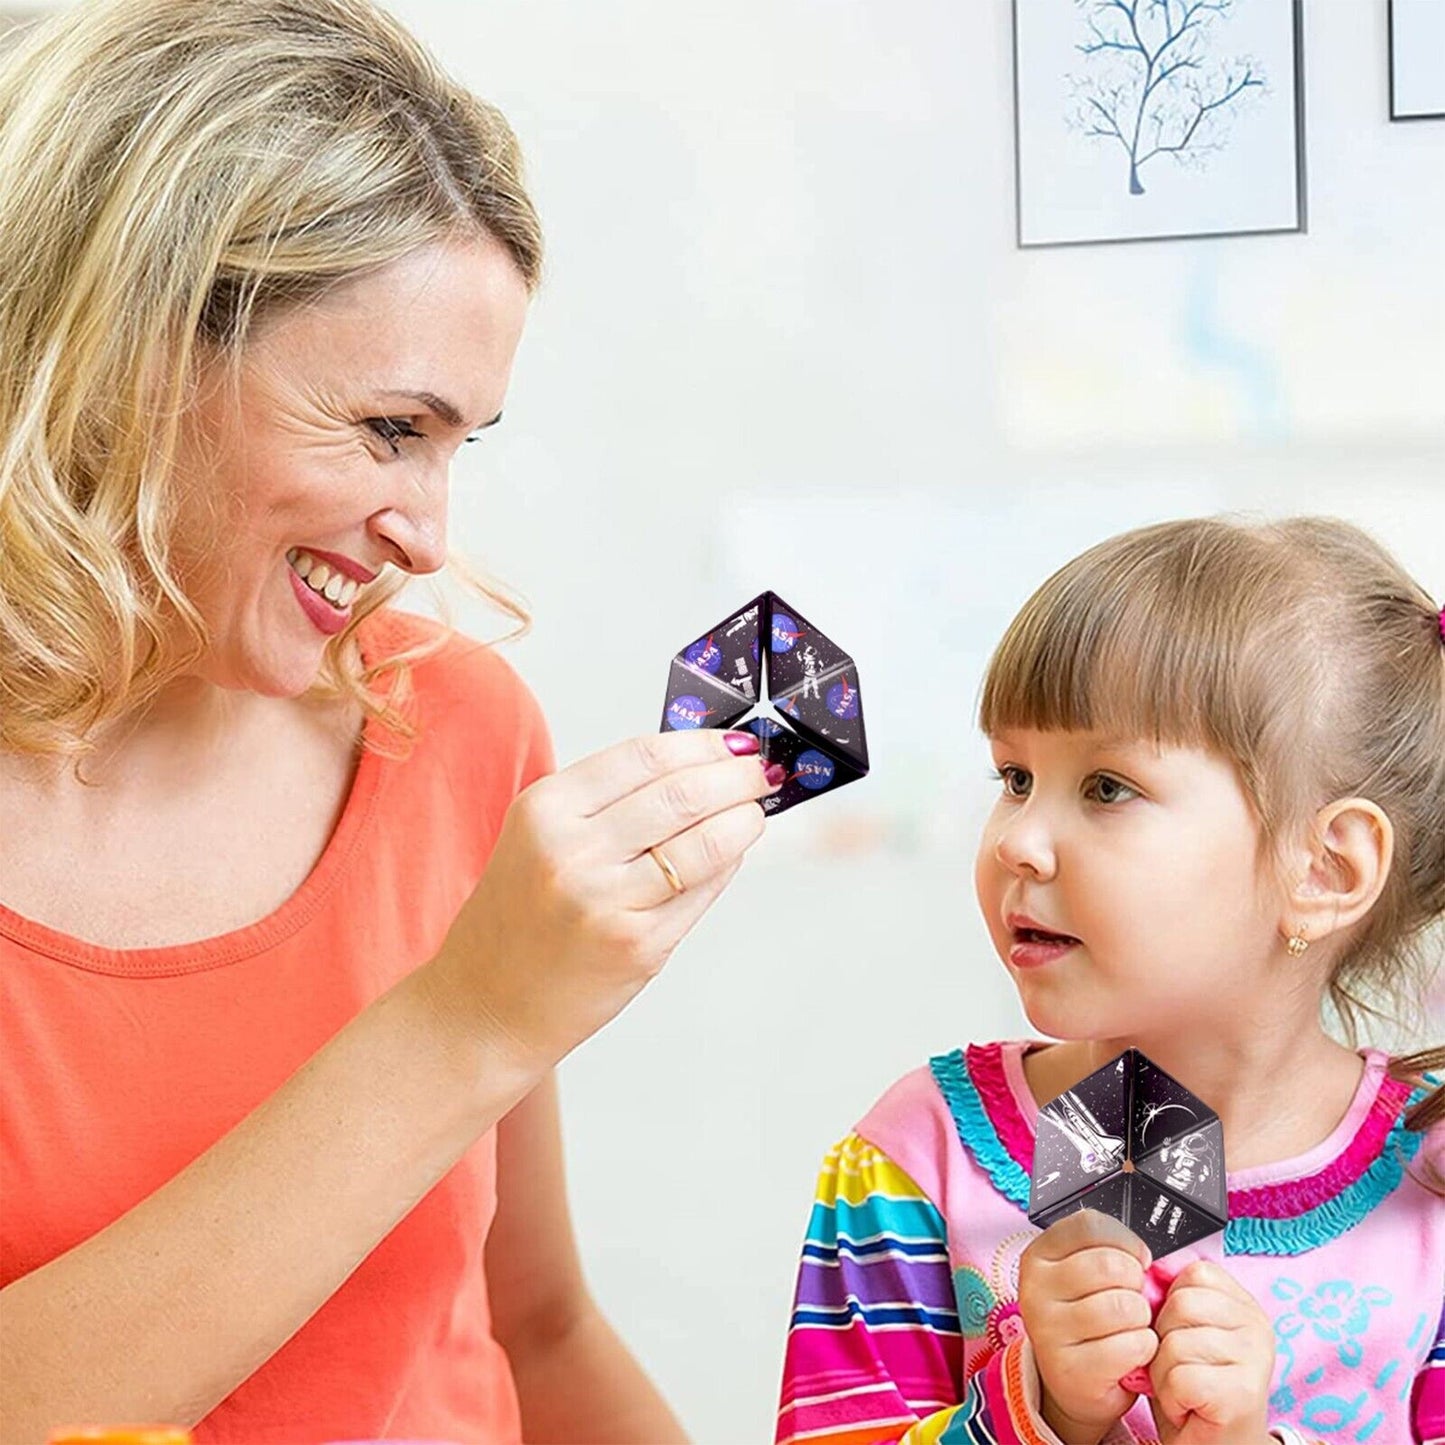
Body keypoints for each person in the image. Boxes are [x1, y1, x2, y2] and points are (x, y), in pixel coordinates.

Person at [0, 2, 786, 1441]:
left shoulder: (459, 727)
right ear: (128, 351)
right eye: (388, 430)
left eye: (456, 446)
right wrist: (466, 1019)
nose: (426, 536)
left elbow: (536, 1326)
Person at [775, 516, 1445, 1445]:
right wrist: (1036, 1408)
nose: (1016, 840)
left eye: (1105, 787)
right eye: (1014, 776)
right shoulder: (917, 1157)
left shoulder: (1429, 1182)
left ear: (1323, 868)